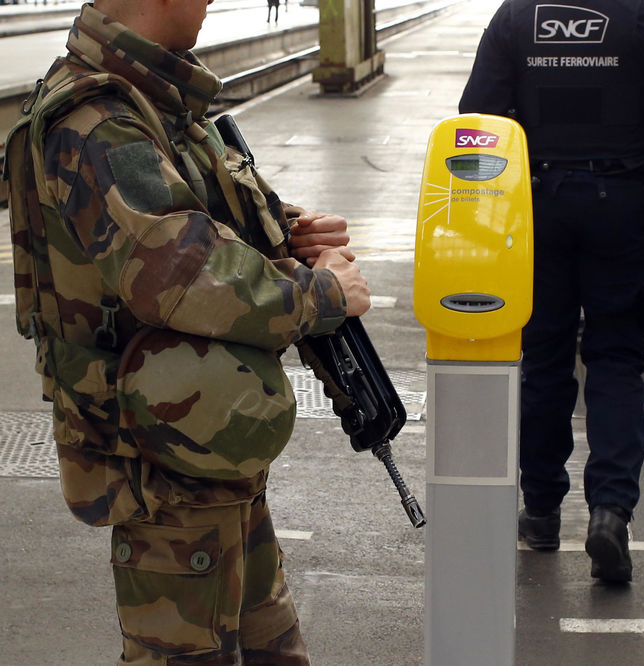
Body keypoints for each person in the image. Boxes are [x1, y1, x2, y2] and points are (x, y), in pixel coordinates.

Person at [3, 0, 370, 662]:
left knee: (270, 647)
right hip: (161, 463)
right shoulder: (97, 123)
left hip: (205, 436)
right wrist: (323, 295)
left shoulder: (152, 101)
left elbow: (193, 210)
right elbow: (186, 273)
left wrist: (283, 228)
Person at [459, 0, 644, 582]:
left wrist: (479, 221)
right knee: (616, 356)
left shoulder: (518, 15)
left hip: (536, 208)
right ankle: (609, 513)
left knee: (545, 359)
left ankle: (540, 512)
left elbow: (476, 118)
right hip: (625, 207)